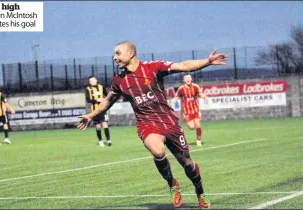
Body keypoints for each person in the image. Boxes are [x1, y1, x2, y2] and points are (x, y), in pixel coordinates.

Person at [78, 41, 227, 209]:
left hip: (169, 122)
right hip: (146, 124)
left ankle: (200, 191)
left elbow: (184, 65)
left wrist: (207, 61)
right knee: (157, 150)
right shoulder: (119, 81)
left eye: (118, 53)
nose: (115, 58)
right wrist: (91, 115)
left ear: (131, 53)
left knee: (187, 163)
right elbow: (107, 101)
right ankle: (172, 183)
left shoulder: (153, 68)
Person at [171, 74, 207, 147]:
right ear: (184, 80)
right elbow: (176, 97)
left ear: (191, 79)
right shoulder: (181, 89)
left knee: (198, 125)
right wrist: (170, 104)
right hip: (187, 111)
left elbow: (201, 93)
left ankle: (198, 140)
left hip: (196, 110)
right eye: (186, 78)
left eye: (189, 78)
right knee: (191, 127)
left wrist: (203, 96)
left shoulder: (195, 86)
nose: (188, 79)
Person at [85, 76, 112, 147]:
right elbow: (88, 100)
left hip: (102, 109)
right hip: (95, 110)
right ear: (89, 82)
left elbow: (107, 95)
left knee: (105, 124)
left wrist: (104, 99)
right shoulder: (88, 89)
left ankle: (108, 140)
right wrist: (97, 100)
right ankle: (100, 141)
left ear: (96, 80)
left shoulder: (101, 87)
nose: (92, 81)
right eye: (90, 80)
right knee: (98, 126)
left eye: (93, 80)